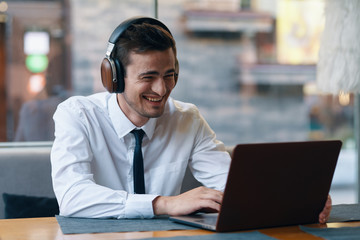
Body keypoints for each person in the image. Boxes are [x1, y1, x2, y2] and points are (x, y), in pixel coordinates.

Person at [51, 17, 331, 222]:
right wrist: (163, 204)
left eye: (169, 75)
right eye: (148, 77)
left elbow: (231, 186)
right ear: (113, 77)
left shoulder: (187, 118)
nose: (162, 90)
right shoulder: (77, 115)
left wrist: (298, 201)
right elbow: (73, 197)